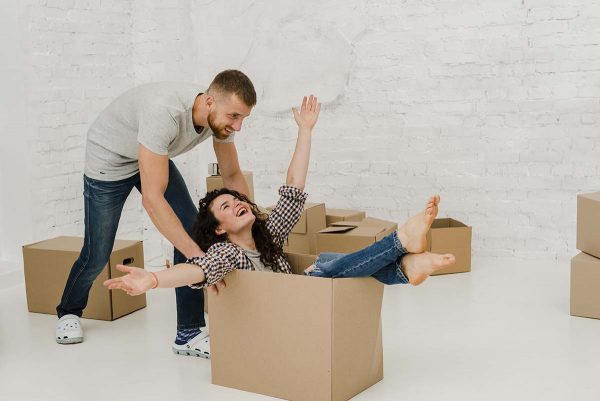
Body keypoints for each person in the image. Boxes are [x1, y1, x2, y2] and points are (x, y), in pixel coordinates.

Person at [103, 96, 456, 341]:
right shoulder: (229, 255)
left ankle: (406, 267)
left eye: (236, 199)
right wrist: (152, 279)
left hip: (307, 302)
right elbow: (196, 271)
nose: (237, 204)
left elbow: (292, 189)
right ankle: (401, 246)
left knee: (326, 265)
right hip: (280, 321)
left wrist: (305, 131)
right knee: (325, 269)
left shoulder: (267, 234)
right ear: (220, 229)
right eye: (225, 207)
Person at [55, 70, 257, 359]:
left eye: (243, 118)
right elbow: (153, 200)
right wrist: (198, 256)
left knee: (191, 231)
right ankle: (68, 311)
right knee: (97, 253)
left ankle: (188, 332)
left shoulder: (221, 120)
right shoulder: (165, 112)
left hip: (148, 155)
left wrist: (253, 227)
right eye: (234, 117)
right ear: (210, 102)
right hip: (108, 162)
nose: (237, 126)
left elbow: (233, 175)